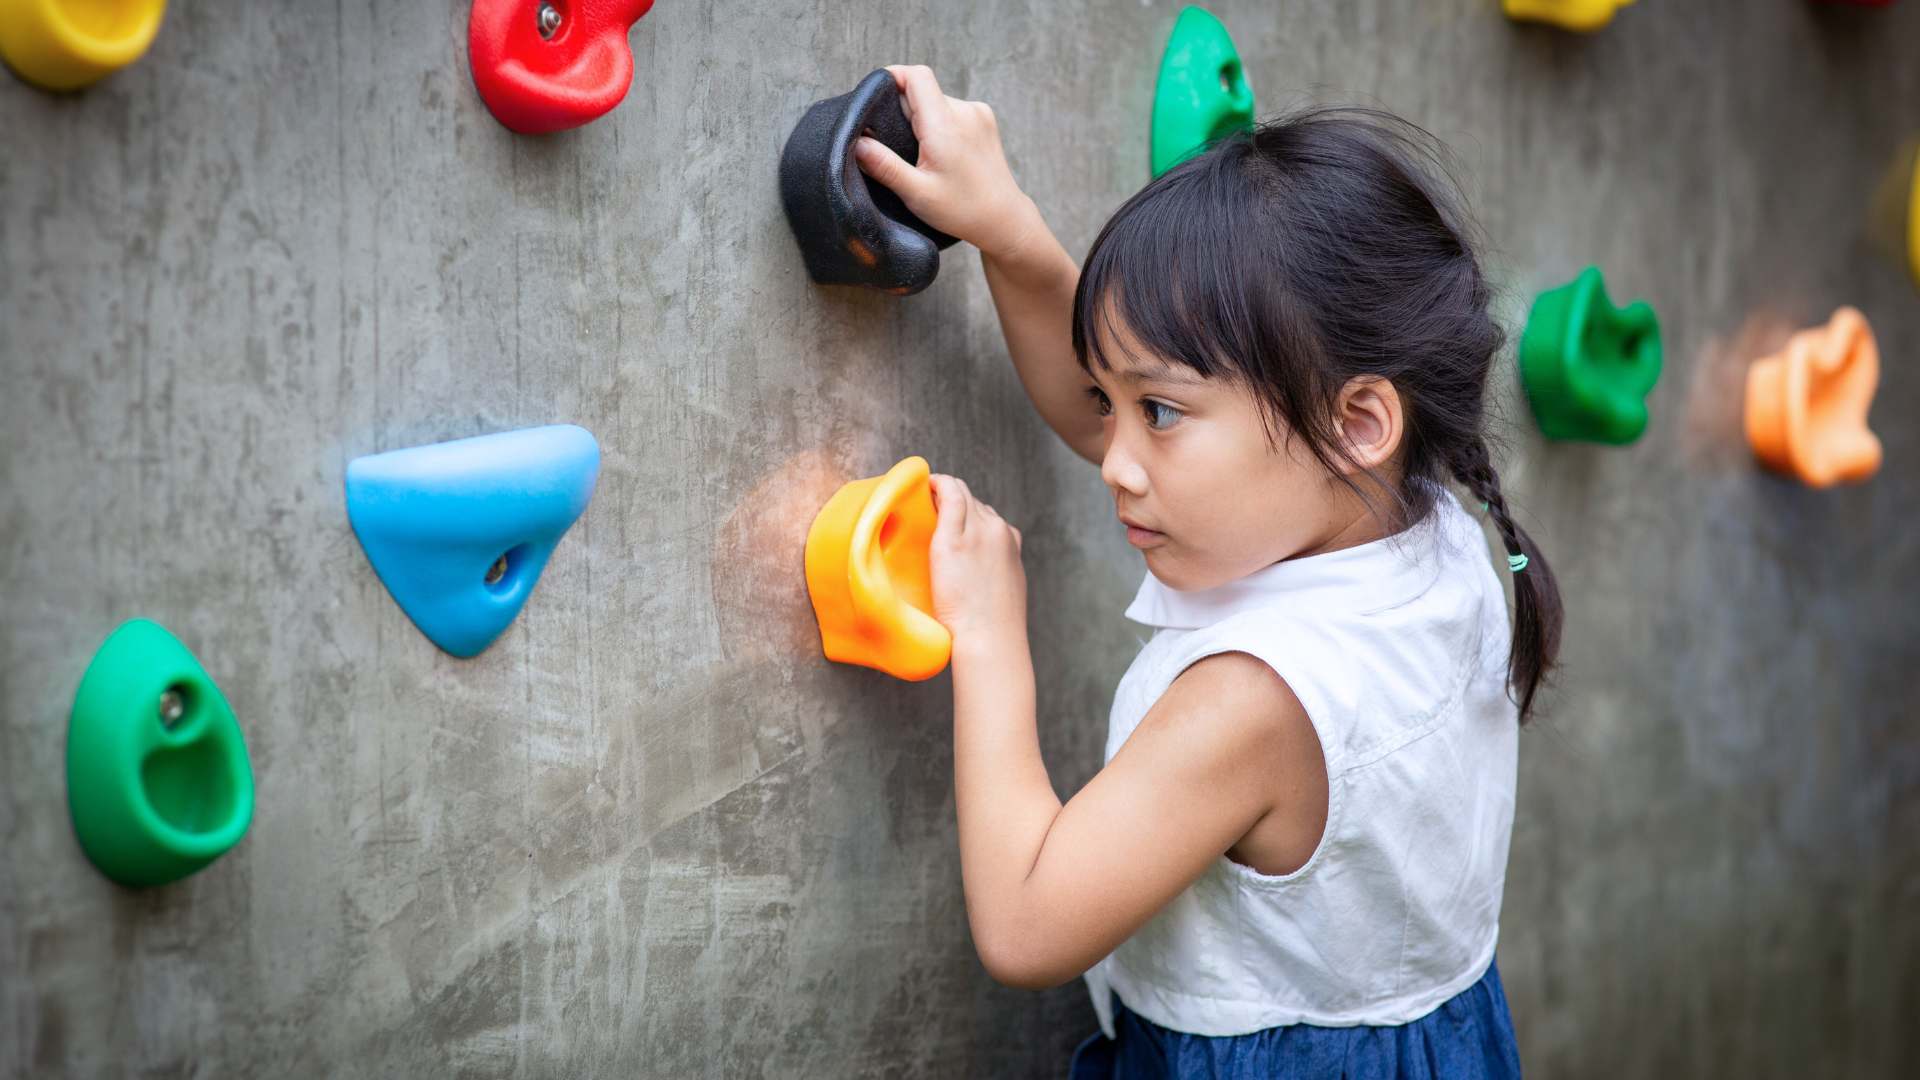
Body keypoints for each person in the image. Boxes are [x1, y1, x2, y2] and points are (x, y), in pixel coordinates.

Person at [854, 65, 1555, 1078]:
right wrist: (1010, 235)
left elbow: (1026, 923)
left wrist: (992, 635)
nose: (1115, 459)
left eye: (1161, 413)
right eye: (1113, 403)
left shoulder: (1252, 703)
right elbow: (1126, 410)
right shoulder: (1425, 524)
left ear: (1359, 422)